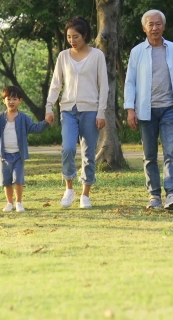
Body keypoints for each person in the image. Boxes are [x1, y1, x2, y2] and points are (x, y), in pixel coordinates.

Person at [124, 9, 173, 210]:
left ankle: (171, 194)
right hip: (146, 111)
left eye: (158, 24)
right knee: (149, 155)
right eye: (150, 24)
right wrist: (130, 109)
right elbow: (130, 83)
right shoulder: (137, 52)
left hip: (169, 108)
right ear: (144, 28)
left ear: (164, 26)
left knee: (171, 152)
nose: (155, 28)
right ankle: (154, 196)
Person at [45, 17, 109, 209]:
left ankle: (85, 195)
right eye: (69, 37)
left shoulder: (97, 55)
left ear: (85, 36)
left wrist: (101, 112)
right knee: (68, 149)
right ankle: (69, 188)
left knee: (89, 154)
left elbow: (103, 86)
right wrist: (49, 106)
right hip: (68, 110)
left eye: (76, 37)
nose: (72, 40)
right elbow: (56, 84)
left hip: (91, 110)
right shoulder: (63, 56)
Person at [0, 86, 52, 212]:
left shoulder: (24, 118)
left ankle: (18, 202)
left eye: (14, 99)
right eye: (9, 99)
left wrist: (45, 122)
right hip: (4, 155)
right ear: (4, 100)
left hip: (18, 154)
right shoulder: (0, 118)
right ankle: (9, 203)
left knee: (18, 178)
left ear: (20, 101)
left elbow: (35, 128)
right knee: (6, 181)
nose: (11, 101)